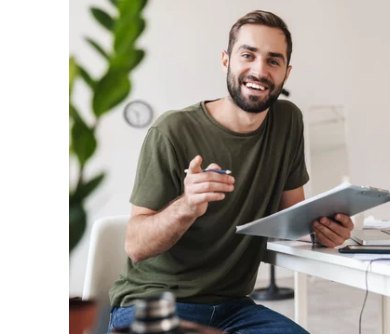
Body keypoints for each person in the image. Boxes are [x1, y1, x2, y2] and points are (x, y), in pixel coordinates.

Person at [107, 10, 354, 334]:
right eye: (248, 55)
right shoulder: (172, 130)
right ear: (226, 60)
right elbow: (136, 245)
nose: (259, 70)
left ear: (286, 73)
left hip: (233, 307)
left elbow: (293, 217)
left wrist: (323, 230)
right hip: (152, 303)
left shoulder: (288, 121)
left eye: (273, 61)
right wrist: (187, 205)